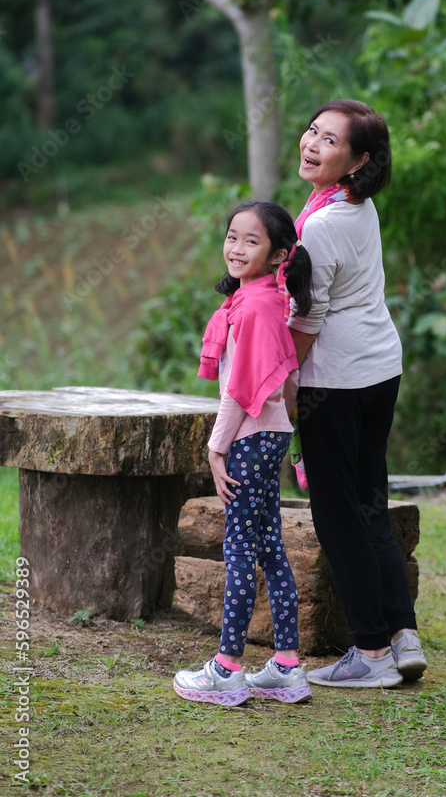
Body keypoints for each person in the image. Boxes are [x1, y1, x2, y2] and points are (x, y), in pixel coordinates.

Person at [285, 99, 427, 688]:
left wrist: (280, 383)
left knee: (340, 517)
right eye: (312, 130)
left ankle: (369, 655)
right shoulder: (354, 204)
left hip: (337, 379)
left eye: (330, 140)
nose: (312, 143)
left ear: (358, 159)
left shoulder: (321, 223)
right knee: (370, 504)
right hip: (379, 368)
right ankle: (401, 634)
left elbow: (308, 315)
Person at [173, 201, 313, 706]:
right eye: (232, 236)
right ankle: (287, 667)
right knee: (270, 548)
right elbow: (291, 377)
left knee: (239, 549)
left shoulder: (252, 308)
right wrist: (283, 425)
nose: (236, 248)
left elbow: (237, 390)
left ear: (279, 254)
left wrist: (216, 448)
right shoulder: (270, 302)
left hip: (249, 438)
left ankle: (228, 669)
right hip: (269, 434)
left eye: (251, 241)